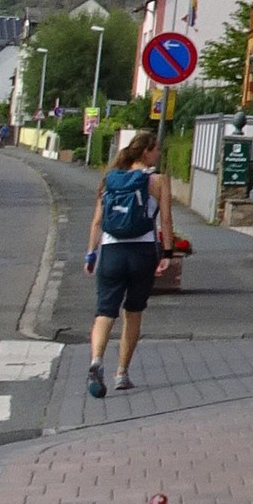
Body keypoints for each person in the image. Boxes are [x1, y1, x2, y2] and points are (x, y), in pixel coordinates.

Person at [84, 132, 172, 398]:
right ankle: (122, 373)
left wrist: (91, 253)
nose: (159, 154)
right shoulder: (157, 180)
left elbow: (97, 221)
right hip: (142, 252)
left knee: (104, 312)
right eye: (156, 149)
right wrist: (167, 252)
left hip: (111, 252)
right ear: (146, 152)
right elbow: (165, 220)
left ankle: (96, 361)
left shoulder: (110, 179)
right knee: (133, 313)